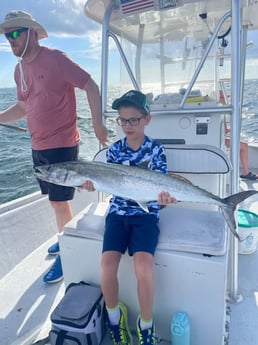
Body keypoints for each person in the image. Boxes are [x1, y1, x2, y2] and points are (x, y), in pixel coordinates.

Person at [0, 10, 108, 284]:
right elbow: (24, 107)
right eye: (6, 35)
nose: (10, 40)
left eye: (15, 33)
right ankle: (64, 239)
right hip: (38, 145)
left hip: (62, 144)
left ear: (32, 33)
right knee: (54, 202)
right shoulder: (18, 69)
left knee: (59, 202)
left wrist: (97, 122)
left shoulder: (56, 59)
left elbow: (90, 85)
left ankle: (67, 253)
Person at [83, 90, 177, 345]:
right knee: (106, 267)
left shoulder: (156, 150)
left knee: (143, 268)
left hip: (146, 215)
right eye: (122, 121)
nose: (127, 126)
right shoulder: (114, 151)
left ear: (147, 119)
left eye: (133, 120)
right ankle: (116, 319)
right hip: (117, 214)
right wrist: (91, 184)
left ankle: (146, 325)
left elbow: (161, 186)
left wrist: (165, 199)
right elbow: (107, 183)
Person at [220, 91, 257, 180]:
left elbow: (225, 130)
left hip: (219, 138)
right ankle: (245, 172)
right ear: (220, 99)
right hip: (219, 141)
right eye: (225, 98)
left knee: (243, 143)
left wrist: (232, 128)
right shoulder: (221, 112)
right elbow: (224, 131)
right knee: (244, 146)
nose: (227, 100)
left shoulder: (220, 112)